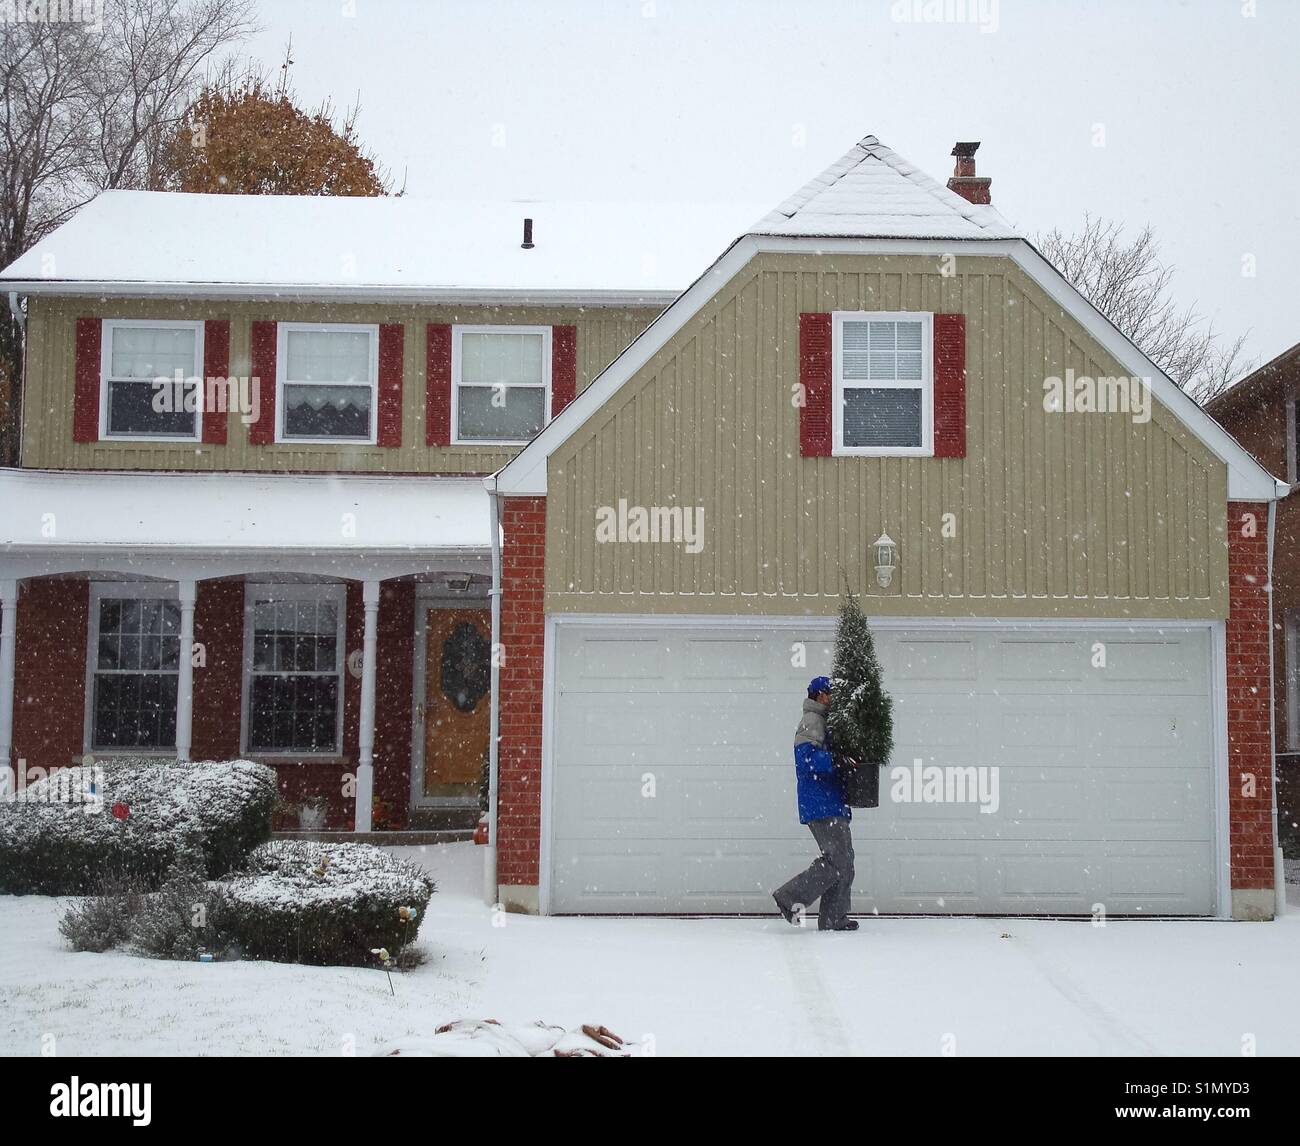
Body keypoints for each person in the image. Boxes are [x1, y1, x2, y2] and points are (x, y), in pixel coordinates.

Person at [772, 676, 858, 931]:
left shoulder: (822, 720)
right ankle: (790, 897)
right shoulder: (812, 720)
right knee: (838, 860)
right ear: (820, 695)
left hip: (828, 800)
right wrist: (836, 760)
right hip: (821, 802)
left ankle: (833, 918)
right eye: (831, 694)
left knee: (842, 860)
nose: (834, 699)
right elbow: (805, 759)